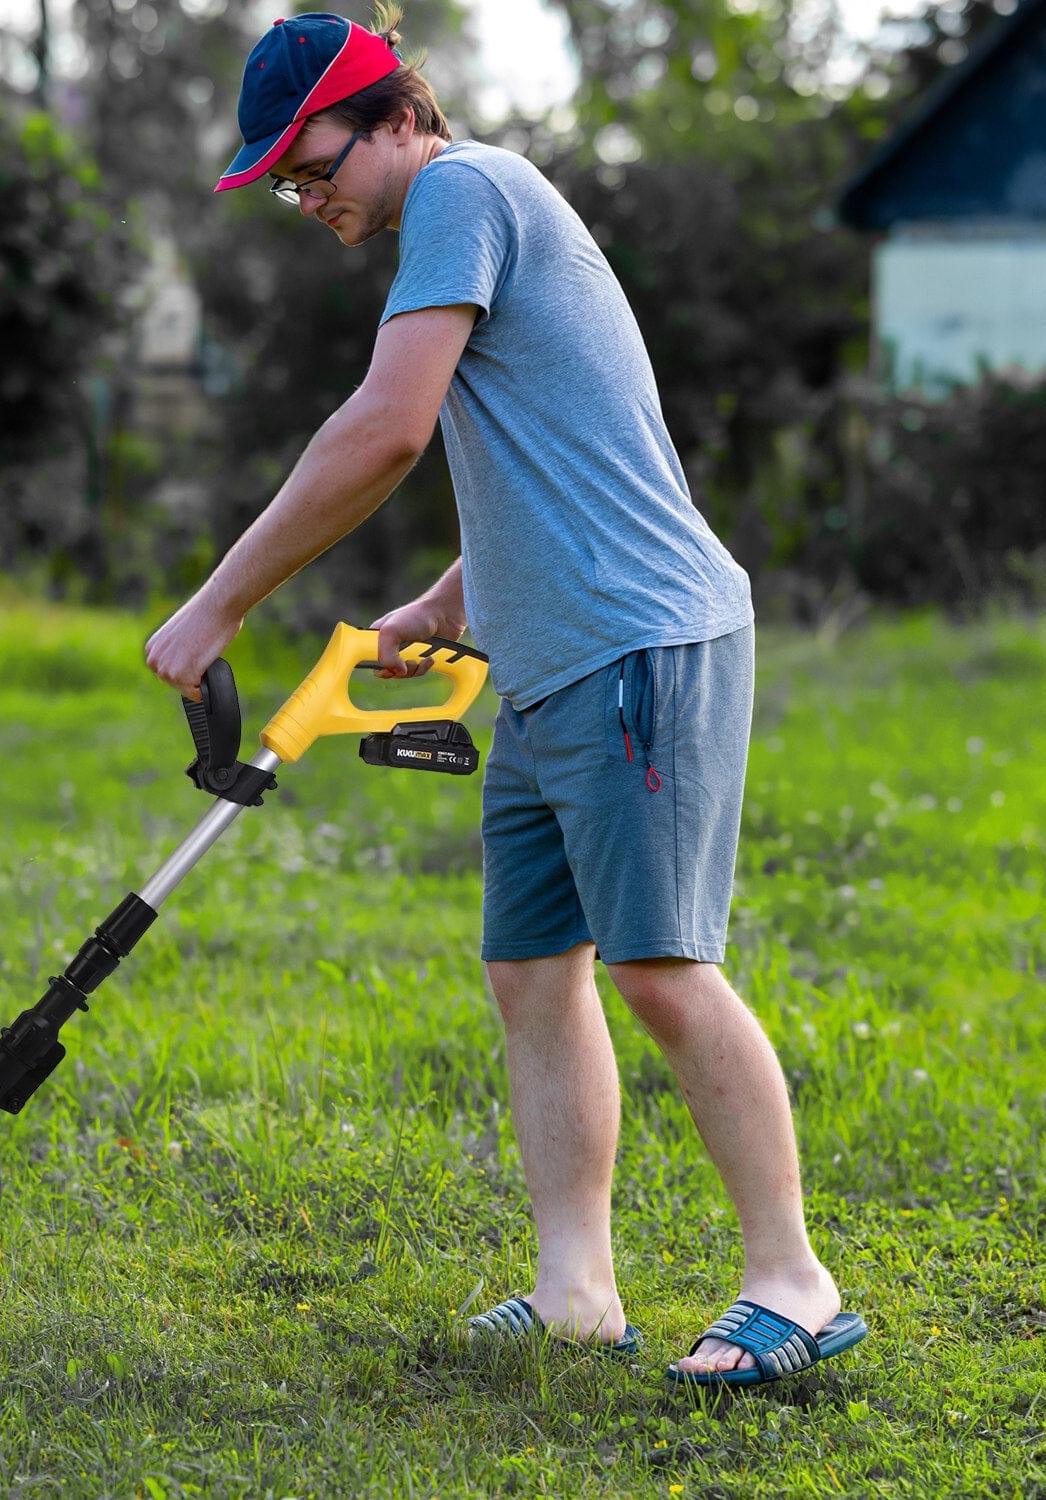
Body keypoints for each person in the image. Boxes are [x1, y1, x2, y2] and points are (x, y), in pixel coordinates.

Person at [145, 6, 867, 1387]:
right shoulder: (471, 212)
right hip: (547, 664)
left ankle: (794, 1279)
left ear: (399, 117)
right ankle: (577, 1291)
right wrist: (449, 601)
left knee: (660, 965)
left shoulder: (463, 190)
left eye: (314, 166)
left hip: (638, 646)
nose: (309, 201)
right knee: (534, 971)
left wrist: (220, 600)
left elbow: (388, 428)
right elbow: (569, 444)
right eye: (287, 186)